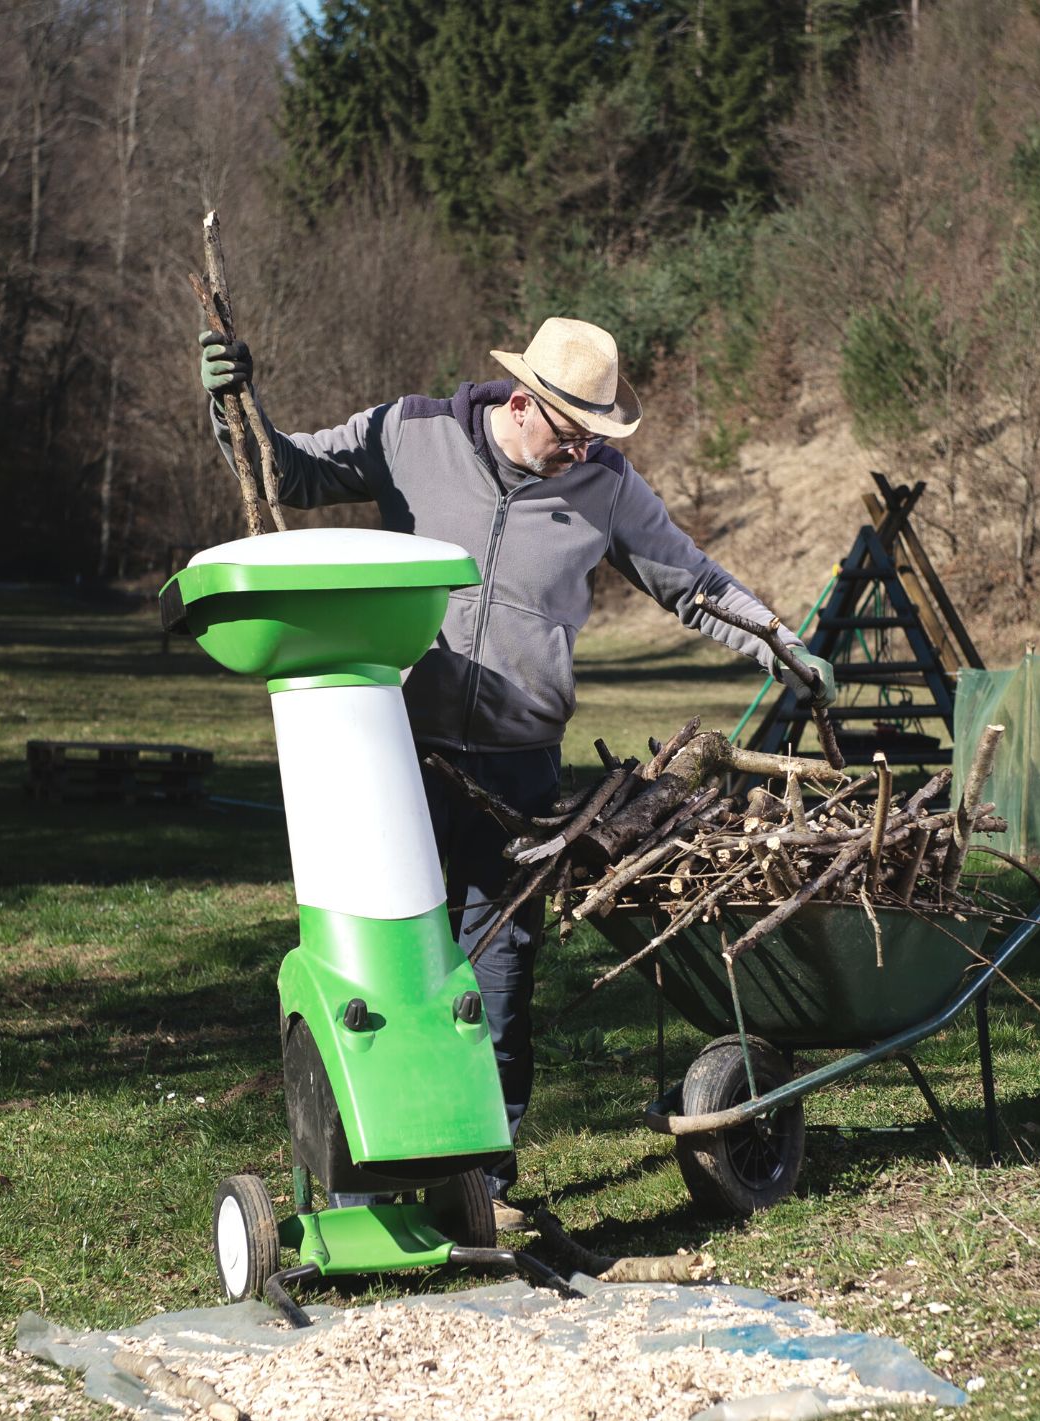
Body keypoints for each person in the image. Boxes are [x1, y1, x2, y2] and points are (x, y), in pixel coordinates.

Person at [198, 316, 834, 1205]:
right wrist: (235, 406)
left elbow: (692, 582)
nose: (580, 452)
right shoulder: (409, 433)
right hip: (396, 759)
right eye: (571, 433)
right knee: (380, 970)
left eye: (595, 438)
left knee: (495, 977)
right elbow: (289, 470)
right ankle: (369, 1181)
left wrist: (783, 642)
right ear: (523, 400)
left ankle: (483, 1182)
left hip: (518, 769)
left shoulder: (606, 486)